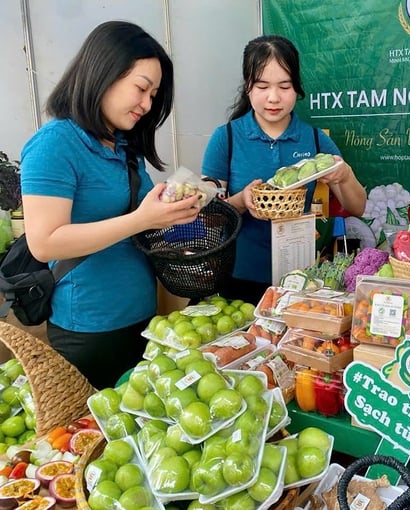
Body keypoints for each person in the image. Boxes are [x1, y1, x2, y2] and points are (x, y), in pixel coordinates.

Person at [20, 21, 201, 389]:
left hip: (143, 319)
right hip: (89, 330)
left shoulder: (122, 147)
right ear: (104, 72)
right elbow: (45, 241)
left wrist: (180, 207)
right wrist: (140, 219)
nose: (147, 104)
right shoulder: (55, 144)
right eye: (141, 88)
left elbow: (145, 221)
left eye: (154, 94)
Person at [201, 35, 367, 304]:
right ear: (248, 87)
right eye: (262, 86)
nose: (273, 97)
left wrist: (345, 174)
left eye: (285, 86)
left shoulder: (314, 140)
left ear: (297, 88)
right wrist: (242, 200)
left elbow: (357, 207)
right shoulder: (227, 138)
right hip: (237, 279)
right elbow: (209, 216)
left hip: (300, 279)